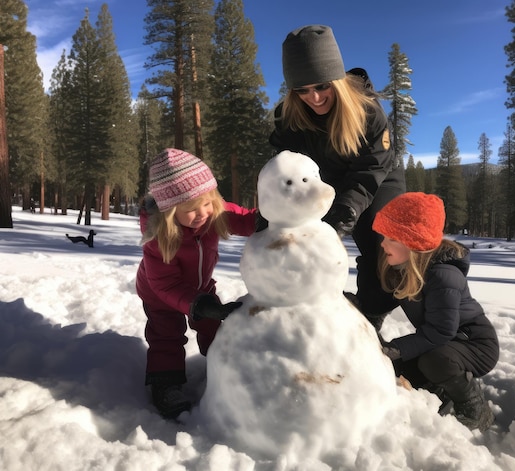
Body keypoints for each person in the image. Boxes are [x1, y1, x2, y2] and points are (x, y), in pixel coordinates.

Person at [269, 24, 406, 330]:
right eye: (302, 90)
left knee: (381, 241)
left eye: (321, 86)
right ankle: (304, 307)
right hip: (323, 181)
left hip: (377, 176)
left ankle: (371, 318)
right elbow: (283, 170)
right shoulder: (288, 117)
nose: (314, 98)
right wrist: (271, 217)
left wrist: (345, 213)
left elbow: (369, 170)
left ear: (337, 79)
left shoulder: (367, 111)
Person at [135, 148, 258, 419]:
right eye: (190, 209)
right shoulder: (159, 238)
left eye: (207, 203)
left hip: (201, 287)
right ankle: (165, 384)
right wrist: (198, 305)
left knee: (213, 326)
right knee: (167, 335)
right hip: (160, 295)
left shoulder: (212, 212)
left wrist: (266, 220)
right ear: (169, 211)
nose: (203, 213)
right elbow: (165, 285)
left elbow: (243, 218)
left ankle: (222, 367)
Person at [372, 192, 499, 432]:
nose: (383, 244)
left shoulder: (444, 276)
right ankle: (440, 389)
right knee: (399, 368)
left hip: (475, 345)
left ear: (413, 243)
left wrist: (396, 348)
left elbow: (441, 331)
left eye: (392, 238)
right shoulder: (403, 269)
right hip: (443, 343)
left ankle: (475, 409)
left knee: (434, 361)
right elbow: (378, 304)